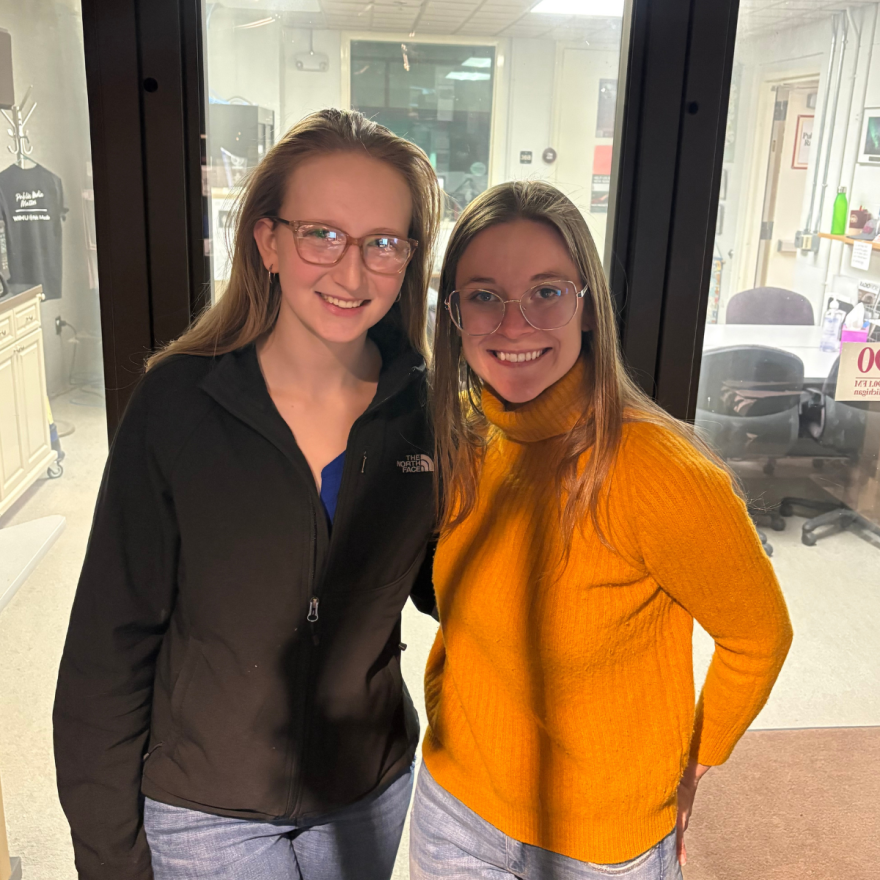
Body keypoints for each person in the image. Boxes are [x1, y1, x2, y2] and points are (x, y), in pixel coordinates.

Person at [53, 109, 441, 880]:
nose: (352, 272)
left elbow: (451, 583)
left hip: (367, 790)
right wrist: (108, 857)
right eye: (320, 234)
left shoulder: (423, 410)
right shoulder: (178, 403)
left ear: (410, 257)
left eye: (382, 243)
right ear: (267, 241)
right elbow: (108, 648)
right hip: (206, 808)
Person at [411, 180, 793, 879]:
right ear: (454, 314)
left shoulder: (659, 470)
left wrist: (695, 763)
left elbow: (759, 635)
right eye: (485, 295)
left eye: (547, 292)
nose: (514, 324)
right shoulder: (470, 441)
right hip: (456, 809)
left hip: (599, 842)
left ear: (588, 308)